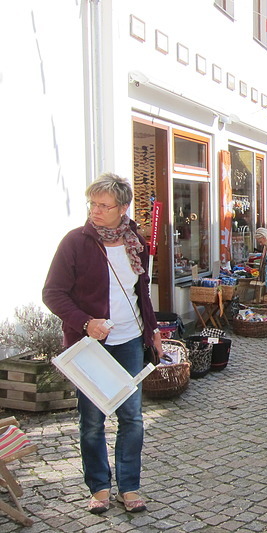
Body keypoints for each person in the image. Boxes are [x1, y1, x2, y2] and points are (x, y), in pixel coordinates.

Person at [42, 172, 162, 515]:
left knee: (132, 417)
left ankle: (130, 486)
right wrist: (85, 322)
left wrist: (152, 330)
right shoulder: (75, 242)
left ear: (122, 208)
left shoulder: (133, 239)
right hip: (89, 346)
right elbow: (52, 294)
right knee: (92, 419)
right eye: (92, 203)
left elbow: (143, 291)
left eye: (103, 205)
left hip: (129, 342)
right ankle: (99, 487)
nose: (95, 210)